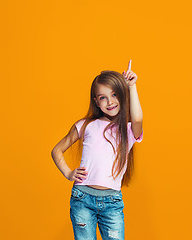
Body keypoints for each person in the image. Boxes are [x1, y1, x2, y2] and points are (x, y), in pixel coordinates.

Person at [51, 60, 143, 240]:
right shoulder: (85, 125)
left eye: (115, 95)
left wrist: (132, 87)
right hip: (82, 198)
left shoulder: (127, 130)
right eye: (103, 97)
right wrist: (69, 173)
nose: (110, 102)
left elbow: (138, 119)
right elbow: (56, 151)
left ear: (122, 96)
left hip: (112, 202)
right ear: (96, 101)